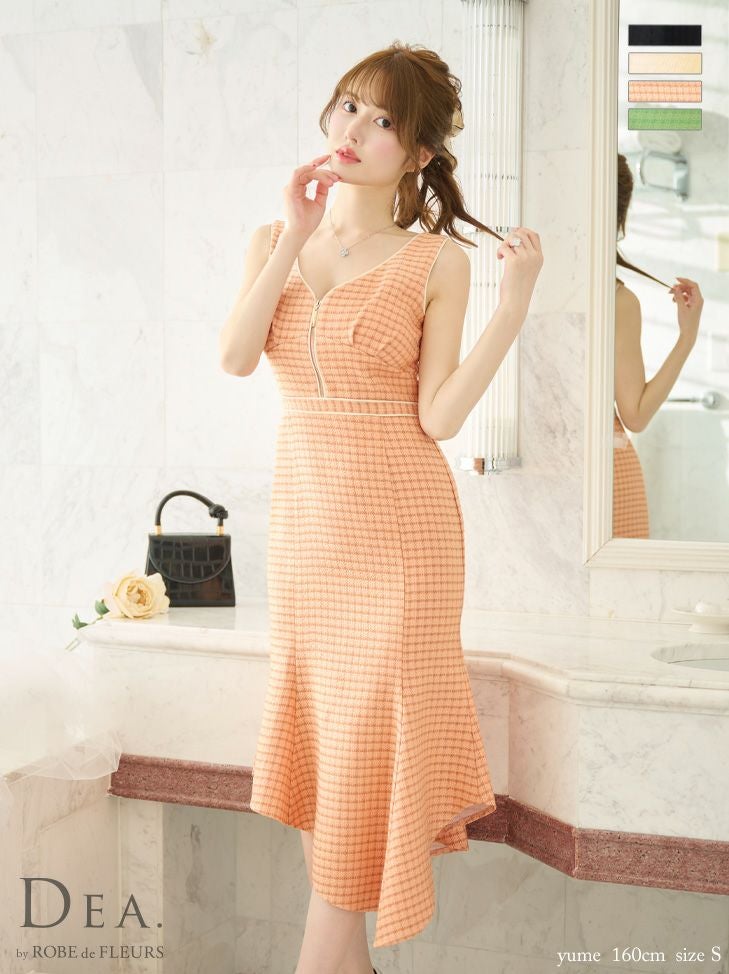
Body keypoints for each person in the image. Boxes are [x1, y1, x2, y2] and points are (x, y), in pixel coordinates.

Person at [219, 42, 543, 974]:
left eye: (385, 120)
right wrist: (293, 233)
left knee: (370, 734)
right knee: (325, 737)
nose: (355, 129)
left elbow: (437, 418)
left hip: (400, 530)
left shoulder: (435, 261)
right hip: (307, 532)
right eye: (348, 106)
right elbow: (236, 358)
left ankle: (319, 960)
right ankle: (344, 963)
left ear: (420, 155)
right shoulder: (273, 241)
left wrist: (511, 306)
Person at [613, 153, 704, 538]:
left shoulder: (616, 301)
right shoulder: (616, 301)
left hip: (605, 477)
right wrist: (687, 337)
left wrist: (687, 337)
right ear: (619, 219)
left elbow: (634, 416)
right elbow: (634, 415)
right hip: (605, 472)